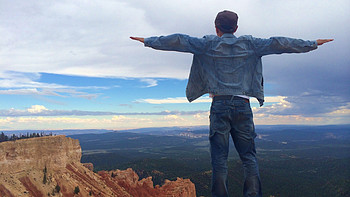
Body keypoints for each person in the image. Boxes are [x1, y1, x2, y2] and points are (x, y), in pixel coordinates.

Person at [130, 10, 333, 197]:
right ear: (236, 28)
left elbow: (179, 41)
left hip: (219, 106)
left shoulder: (207, 43)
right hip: (243, 106)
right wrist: (311, 43)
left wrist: (148, 41)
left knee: (219, 159)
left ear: (216, 27)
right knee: (249, 157)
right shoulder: (250, 44)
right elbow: (279, 43)